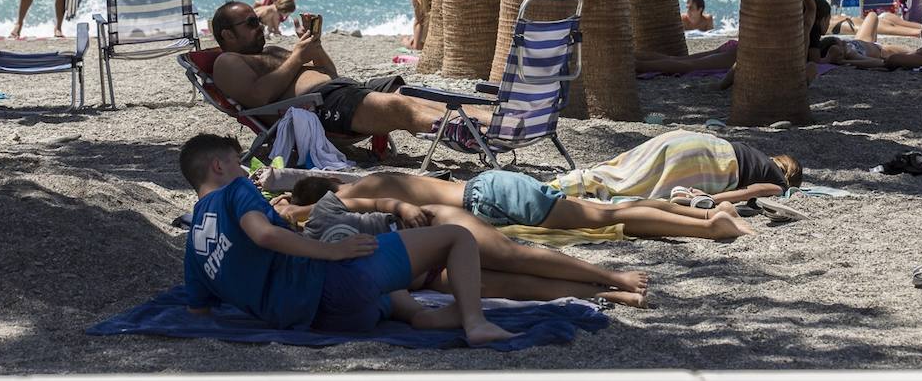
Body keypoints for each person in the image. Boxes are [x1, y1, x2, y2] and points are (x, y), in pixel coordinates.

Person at [178, 133, 515, 342]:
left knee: (389, 288)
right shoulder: (234, 191)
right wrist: (330, 251)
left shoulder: (194, 246)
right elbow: (264, 235)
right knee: (456, 237)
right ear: (218, 167)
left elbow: (199, 315)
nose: (245, 173)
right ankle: (475, 323)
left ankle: (421, 316)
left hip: (329, 321)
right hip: (333, 283)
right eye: (238, 163)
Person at [276, 176, 649, 308]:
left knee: (514, 256)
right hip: (417, 273)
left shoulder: (324, 209)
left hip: (434, 226)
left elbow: (376, 202)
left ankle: (612, 274)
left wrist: (404, 206)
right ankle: (606, 294)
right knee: (511, 287)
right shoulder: (303, 261)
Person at [209, 1, 466, 138]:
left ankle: (495, 122)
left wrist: (315, 48)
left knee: (414, 93)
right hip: (321, 108)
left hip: (340, 90)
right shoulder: (228, 61)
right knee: (400, 107)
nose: (261, 26)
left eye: (258, 20)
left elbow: (330, 72)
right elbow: (258, 97)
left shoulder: (272, 51)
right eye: (252, 22)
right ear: (228, 35)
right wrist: (298, 56)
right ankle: (471, 132)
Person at [281, 169, 756, 241]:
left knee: (606, 216)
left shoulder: (342, 197)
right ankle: (703, 215)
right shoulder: (361, 178)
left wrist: (287, 209)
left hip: (487, 198)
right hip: (491, 183)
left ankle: (711, 225)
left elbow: (300, 214)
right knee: (607, 211)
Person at [551, 129, 802, 205]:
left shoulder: (757, 155)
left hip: (689, 139)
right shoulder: (779, 183)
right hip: (709, 161)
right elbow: (749, 192)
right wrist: (711, 198)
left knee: (623, 169)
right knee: (637, 187)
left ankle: (565, 183)